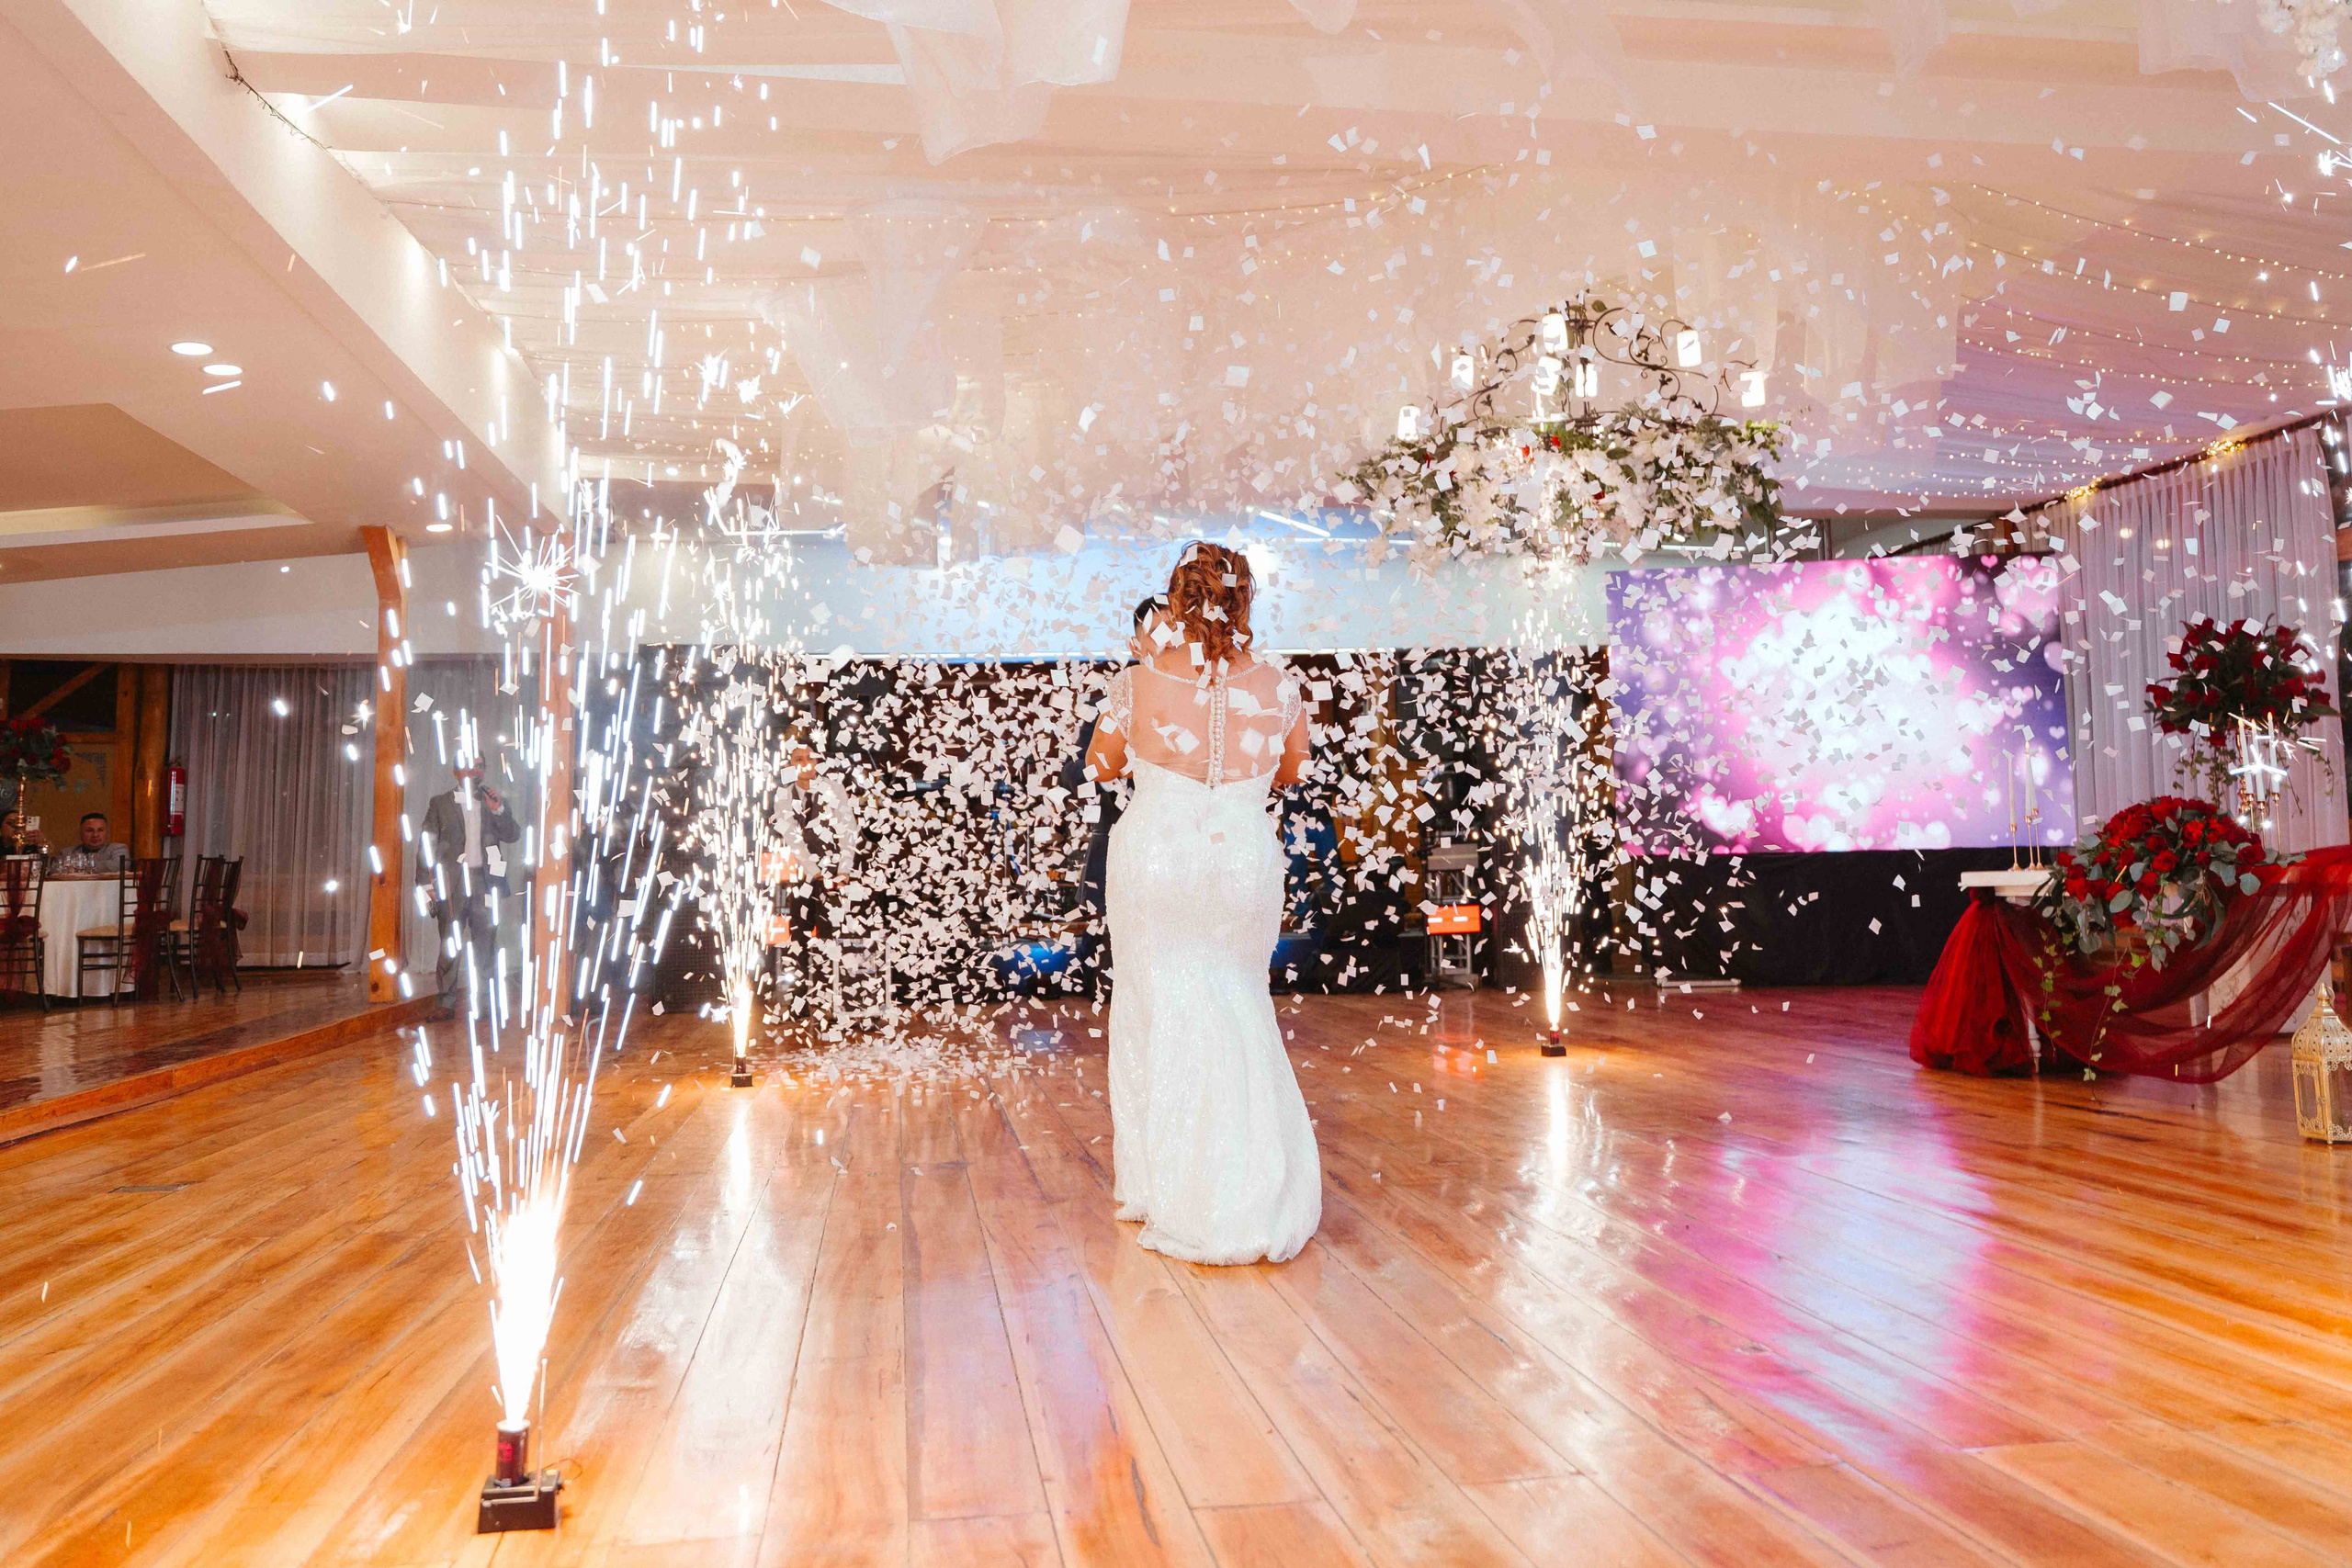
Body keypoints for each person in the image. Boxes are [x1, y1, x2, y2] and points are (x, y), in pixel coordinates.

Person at [1084, 540, 1321, 1265]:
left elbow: (1102, 764)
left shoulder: (1139, 680)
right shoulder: (1281, 687)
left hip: (1158, 854)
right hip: (1241, 857)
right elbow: (1291, 770)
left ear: (1175, 600)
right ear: (1246, 600)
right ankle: (1247, 1182)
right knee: (1237, 998)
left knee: (1157, 1005)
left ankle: (1162, 1188)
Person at [1060, 594, 1166, 920]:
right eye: (1157, 634)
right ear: (1137, 643)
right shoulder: (1111, 696)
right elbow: (1072, 776)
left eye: (1176, 632)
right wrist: (1118, 768)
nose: (1168, 643)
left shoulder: (1208, 701)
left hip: (1184, 868)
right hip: (1114, 864)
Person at [416, 761, 520, 1021]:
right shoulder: (439, 803)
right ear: (455, 772)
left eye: (479, 767)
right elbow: (426, 844)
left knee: (486, 946)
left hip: (485, 883)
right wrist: (427, 884)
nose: (473, 772)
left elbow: (512, 834)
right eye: (467, 766)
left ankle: (485, 1004)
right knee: (450, 945)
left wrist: (499, 810)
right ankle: (446, 1003)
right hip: (452, 884)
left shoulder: (491, 803)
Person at [51, 813, 129, 874]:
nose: (95, 835)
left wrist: (80, 866)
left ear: (107, 833)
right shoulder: (67, 852)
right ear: (80, 834)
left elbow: (120, 866)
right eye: (89, 830)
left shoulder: (119, 849)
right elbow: (55, 870)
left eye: (100, 830)